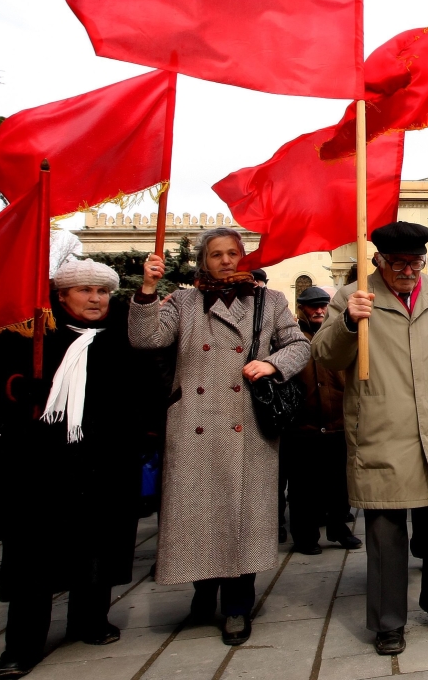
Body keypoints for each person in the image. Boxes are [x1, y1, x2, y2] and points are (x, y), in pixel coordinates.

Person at [131, 228, 310, 647]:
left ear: (244, 257)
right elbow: (146, 338)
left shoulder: (271, 301)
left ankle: (237, 606)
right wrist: (148, 289)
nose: (226, 261)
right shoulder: (183, 301)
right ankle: (202, 591)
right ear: (203, 261)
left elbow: (299, 345)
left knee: (242, 519)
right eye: (216, 255)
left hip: (248, 426)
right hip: (194, 425)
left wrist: (271, 364)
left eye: (233, 253)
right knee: (199, 518)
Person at [310, 222, 428, 656]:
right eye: (399, 263)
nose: (409, 270)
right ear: (378, 262)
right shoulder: (353, 297)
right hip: (382, 428)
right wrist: (350, 322)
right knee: (386, 534)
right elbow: (325, 355)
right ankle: (389, 621)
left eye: (416, 262)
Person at [0, 260, 161, 679]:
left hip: (106, 459)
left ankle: (89, 619)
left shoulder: (121, 335)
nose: (95, 299)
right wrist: (18, 387)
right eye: (85, 291)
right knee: (36, 552)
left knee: (100, 542)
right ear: (63, 295)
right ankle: (23, 643)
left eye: (102, 292)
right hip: (45, 463)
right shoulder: (34, 333)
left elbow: (146, 379)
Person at [288, 286, 361, 554]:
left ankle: (338, 528)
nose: (318, 310)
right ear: (302, 309)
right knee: (303, 488)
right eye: (312, 306)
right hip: (303, 426)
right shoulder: (291, 337)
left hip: (339, 423)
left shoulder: (338, 334)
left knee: (340, 485)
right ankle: (305, 536)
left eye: (322, 305)